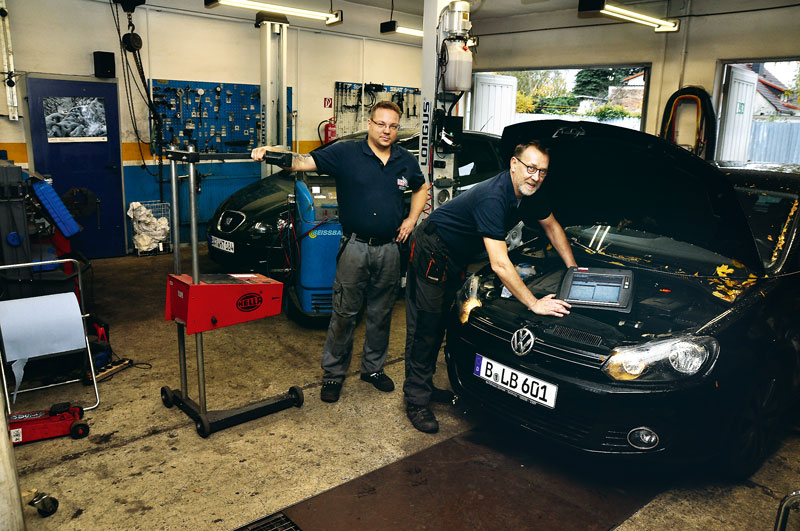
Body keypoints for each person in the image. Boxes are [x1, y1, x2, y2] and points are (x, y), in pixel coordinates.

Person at [252, 101, 427, 403]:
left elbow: (422, 188)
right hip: (355, 247)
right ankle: (333, 374)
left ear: (397, 129)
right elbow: (301, 162)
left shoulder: (405, 160)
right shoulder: (346, 153)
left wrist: (411, 220)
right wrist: (270, 153)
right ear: (370, 124)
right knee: (344, 313)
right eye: (381, 123)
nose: (386, 130)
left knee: (381, 313)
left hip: (389, 250)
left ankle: (372, 369)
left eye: (393, 126)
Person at [402, 139, 577, 433]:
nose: (535, 176)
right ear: (513, 164)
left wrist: (574, 269)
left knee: (445, 321)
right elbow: (499, 263)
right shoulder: (493, 197)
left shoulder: (531, 193)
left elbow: (552, 226)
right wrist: (534, 303)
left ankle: (425, 386)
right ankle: (416, 400)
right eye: (530, 168)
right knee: (426, 325)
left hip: (457, 254)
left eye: (542, 171)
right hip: (432, 249)